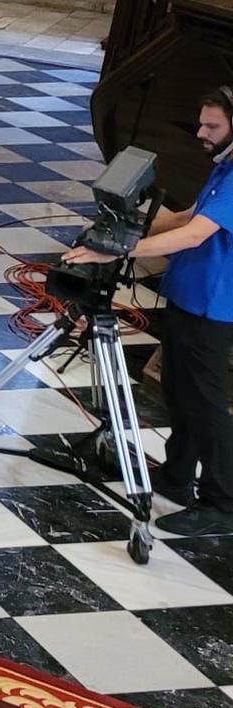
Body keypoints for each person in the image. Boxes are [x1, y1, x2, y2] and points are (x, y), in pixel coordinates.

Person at [64, 90, 233, 535]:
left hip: (212, 307)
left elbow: (195, 235)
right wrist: (117, 228)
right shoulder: (226, 166)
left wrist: (120, 250)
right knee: (179, 392)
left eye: (212, 126)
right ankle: (177, 478)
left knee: (206, 404)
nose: (201, 133)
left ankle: (223, 501)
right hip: (187, 296)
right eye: (202, 123)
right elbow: (184, 217)